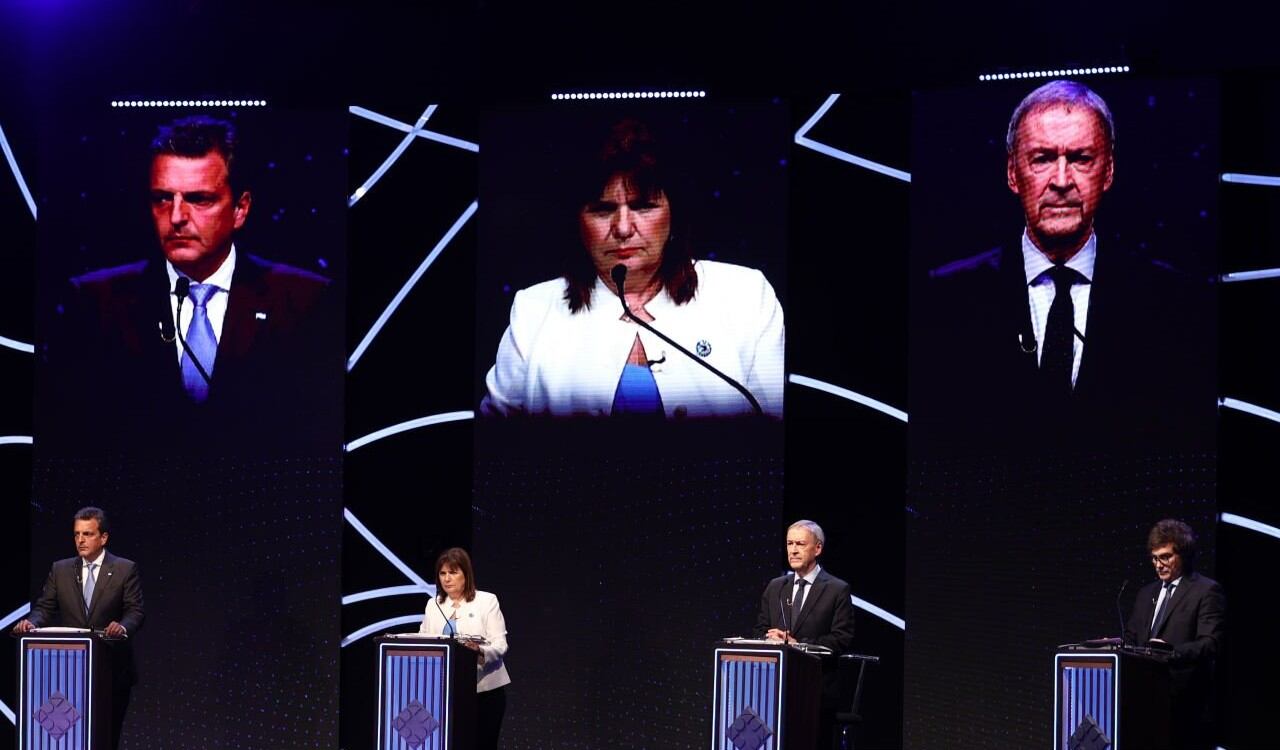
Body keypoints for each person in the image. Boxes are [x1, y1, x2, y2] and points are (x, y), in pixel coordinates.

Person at [915, 80, 1214, 453]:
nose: (1060, 181)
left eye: (1080, 159)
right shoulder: (946, 299)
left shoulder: (1171, 302)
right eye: (1041, 159)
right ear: (1012, 174)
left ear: (1108, 172)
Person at [45, 115, 339, 453]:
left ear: (240, 209)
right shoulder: (96, 302)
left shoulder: (304, 300)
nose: (176, 217)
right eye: (163, 199)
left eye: (199, 199)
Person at [480, 117, 784, 419]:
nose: (623, 228)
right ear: (578, 224)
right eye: (603, 210)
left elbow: (775, 433)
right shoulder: (533, 309)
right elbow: (492, 446)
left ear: (673, 215)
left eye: (642, 207)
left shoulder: (745, 295)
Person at [14, 507, 145, 750]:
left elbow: (135, 611)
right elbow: (44, 607)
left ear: (103, 537)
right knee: (70, 739)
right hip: (70, 673)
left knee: (105, 740)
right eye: (76, 535)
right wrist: (32, 622)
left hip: (112, 671)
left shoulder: (125, 569)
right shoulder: (61, 569)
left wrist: (122, 627)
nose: (81, 540)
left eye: (88, 534)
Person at [1124, 519, 1224, 750]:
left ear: (1184, 555)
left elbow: (1211, 644)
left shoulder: (1206, 591)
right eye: (1154, 558)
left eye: (1165, 557)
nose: (1158, 564)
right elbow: (1131, 638)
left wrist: (1168, 654)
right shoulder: (1145, 593)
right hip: (1145, 704)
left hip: (1186, 706)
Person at [754, 520, 855, 747]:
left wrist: (798, 644)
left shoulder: (837, 589)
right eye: (790, 543)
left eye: (800, 543)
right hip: (774, 686)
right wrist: (770, 639)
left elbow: (841, 639)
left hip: (816, 690)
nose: (793, 550)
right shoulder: (775, 587)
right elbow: (760, 629)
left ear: (817, 548)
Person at [418, 547, 510, 750]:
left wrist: (479, 650)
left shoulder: (486, 601)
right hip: (445, 694)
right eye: (443, 573)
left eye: (453, 572)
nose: (447, 579)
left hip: (484, 692)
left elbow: (500, 645)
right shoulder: (433, 605)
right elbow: (425, 641)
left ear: (466, 575)